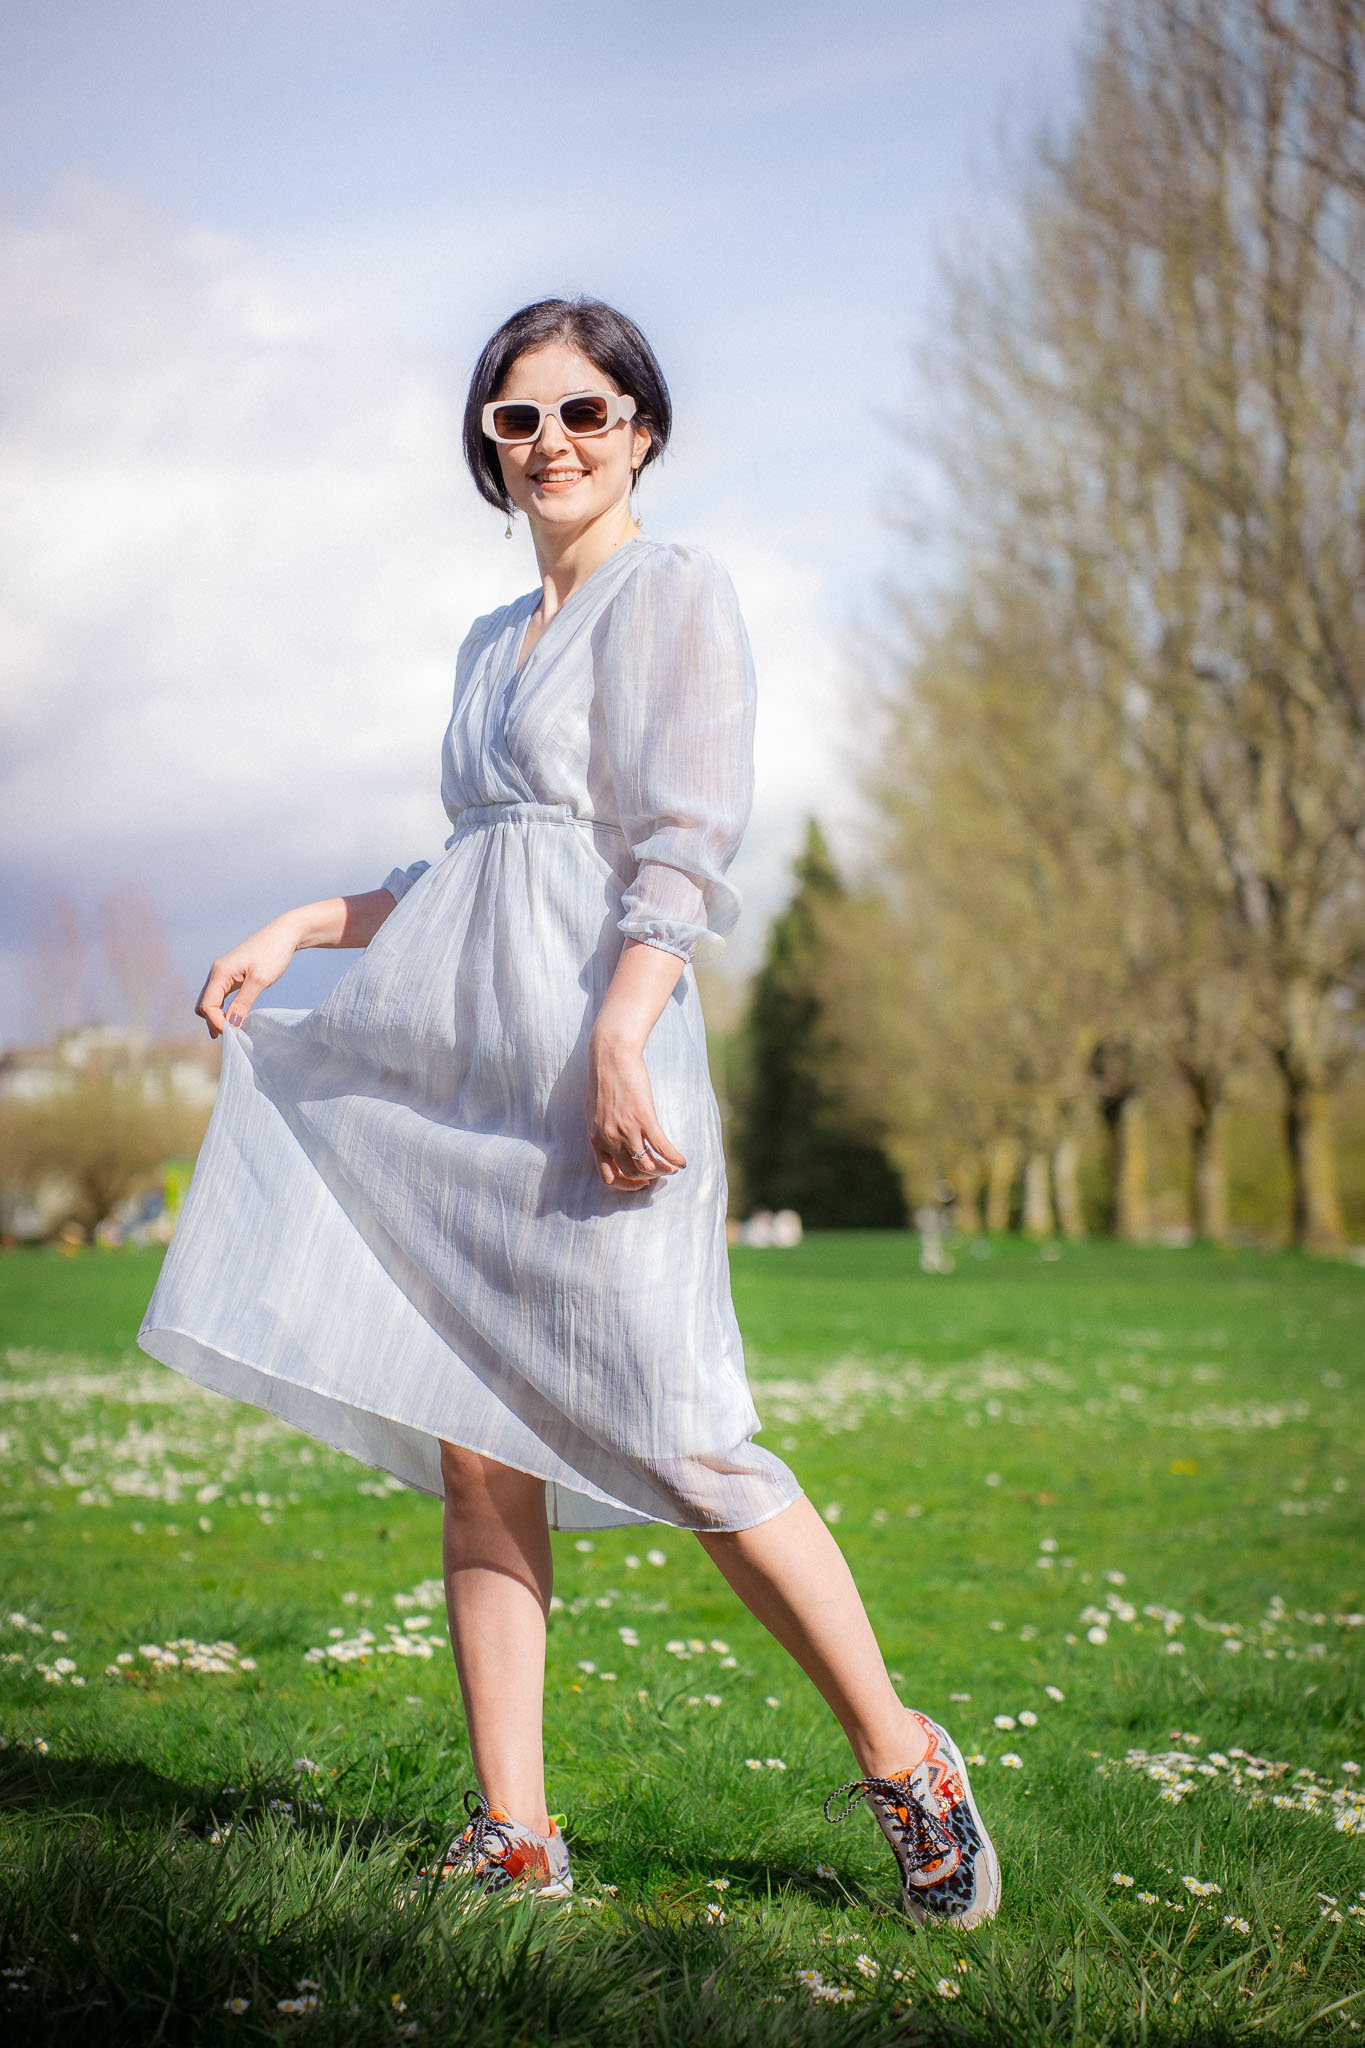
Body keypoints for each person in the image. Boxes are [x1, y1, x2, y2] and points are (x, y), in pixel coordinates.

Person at [136, 296, 999, 1930]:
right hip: (464, 1078)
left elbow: (682, 844)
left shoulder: (675, 595)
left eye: (584, 411)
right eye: (516, 417)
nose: (551, 443)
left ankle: (904, 1761)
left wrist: (620, 1035)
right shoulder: (488, 641)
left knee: (685, 1434)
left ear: (641, 429)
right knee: (477, 1454)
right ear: (488, 442)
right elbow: (482, 866)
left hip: (603, 1072)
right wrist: (308, 923)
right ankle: (517, 1832)